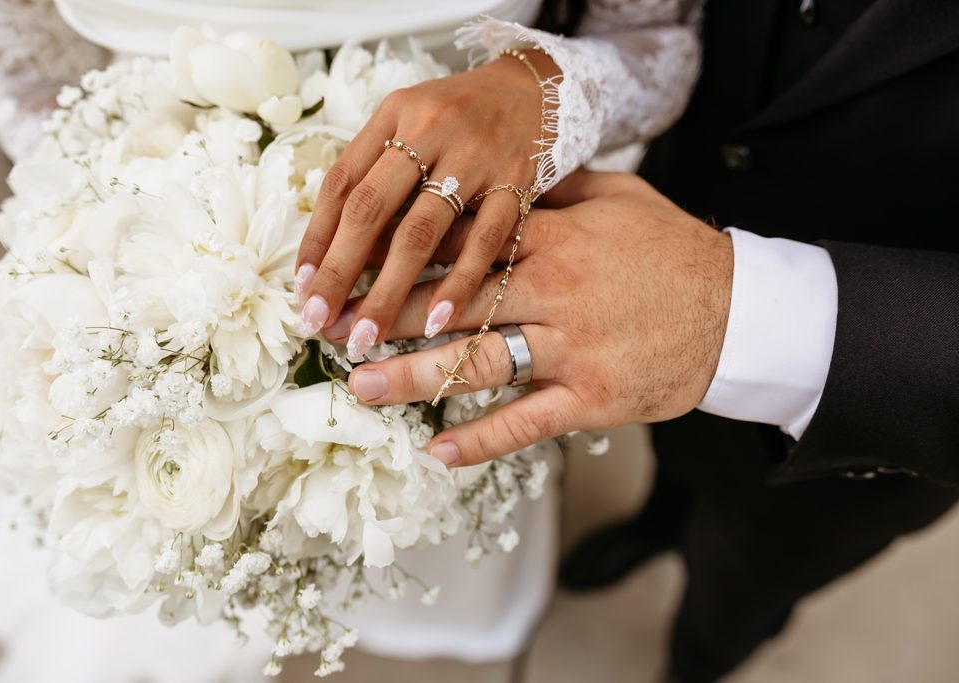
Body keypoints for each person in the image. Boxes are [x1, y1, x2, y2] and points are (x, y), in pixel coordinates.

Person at [0, 0, 709, 681]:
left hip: (453, 272)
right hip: (143, 255)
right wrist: (123, 239)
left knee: (406, 488)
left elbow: (651, 38)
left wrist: (535, 90)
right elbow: (27, 83)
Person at [342, 2, 959, 681]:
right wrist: (545, 83)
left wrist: (729, 311)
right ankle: (654, 524)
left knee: (739, 588)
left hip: (859, 424)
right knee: (673, 460)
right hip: (674, 200)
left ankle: (696, 659)